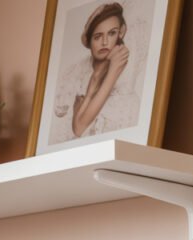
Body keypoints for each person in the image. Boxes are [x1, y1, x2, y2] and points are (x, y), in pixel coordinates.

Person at [52, 2, 142, 142]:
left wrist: (111, 72)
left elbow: (79, 127)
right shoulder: (79, 71)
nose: (105, 42)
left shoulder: (120, 61)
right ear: (89, 41)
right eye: (98, 36)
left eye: (112, 33)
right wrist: (91, 89)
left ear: (121, 32)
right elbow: (77, 127)